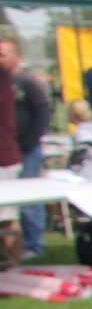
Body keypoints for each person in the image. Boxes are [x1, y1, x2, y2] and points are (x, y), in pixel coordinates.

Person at [3, 37, 53, 258]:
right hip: (10, 149)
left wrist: (30, 141)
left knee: (28, 201)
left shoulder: (27, 82)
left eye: (3, 54)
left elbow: (43, 112)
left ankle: (34, 244)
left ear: (17, 57)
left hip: (27, 149)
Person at [0, 41, 20, 255]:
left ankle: (14, 265)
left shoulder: (4, 83)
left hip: (4, 159)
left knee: (7, 218)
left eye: (2, 54)